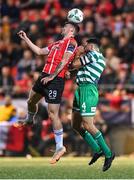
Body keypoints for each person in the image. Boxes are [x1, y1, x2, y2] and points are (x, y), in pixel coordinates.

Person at [17, 22, 78, 164]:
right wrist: (26, 39)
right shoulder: (56, 43)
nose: (62, 28)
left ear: (71, 30)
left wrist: (53, 75)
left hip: (56, 79)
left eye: (65, 26)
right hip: (44, 75)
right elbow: (39, 51)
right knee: (30, 101)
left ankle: (59, 146)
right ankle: (30, 119)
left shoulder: (72, 42)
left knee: (52, 113)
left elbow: (64, 60)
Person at [71, 37, 115, 171]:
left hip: (88, 90)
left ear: (91, 46)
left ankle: (108, 153)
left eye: (85, 45)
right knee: (76, 125)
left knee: (88, 125)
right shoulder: (92, 57)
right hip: (81, 89)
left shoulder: (94, 55)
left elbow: (74, 64)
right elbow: (78, 68)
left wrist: (77, 53)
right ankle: (97, 149)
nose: (83, 47)